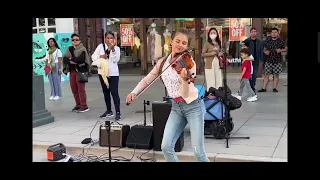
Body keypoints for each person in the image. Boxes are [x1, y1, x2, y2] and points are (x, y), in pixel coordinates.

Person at [126, 28, 209, 162]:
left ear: (187, 46)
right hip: (176, 107)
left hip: (194, 107)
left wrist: (183, 79)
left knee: (198, 152)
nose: (180, 45)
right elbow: (147, 79)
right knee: (166, 147)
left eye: (184, 43)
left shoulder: (189, 63)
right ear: (171, 41)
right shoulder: (162, 63)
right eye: (178, 41)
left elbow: (185, 94)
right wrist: (134, 92)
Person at [91, 31, 121, 120]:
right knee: (106, 92)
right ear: (105, 39)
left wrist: (113, 50)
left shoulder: (117, 48)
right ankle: (109, 110)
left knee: (114, 92)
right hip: (103, 73)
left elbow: (116, 60)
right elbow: (93, 57)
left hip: (113, 74)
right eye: (107, 38)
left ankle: (118, 112)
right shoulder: (101, 47)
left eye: (111, 38)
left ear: (114, 39)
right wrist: (102, 56)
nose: (109, 40)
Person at [63, 33, 90, 113]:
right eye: (73, 40)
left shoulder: (82, 49)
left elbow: (81, 59)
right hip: (72, 71)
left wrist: (71, 59)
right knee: (74, 89)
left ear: (79, 41)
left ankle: (84, 106)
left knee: (81, 89)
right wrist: (71, 60)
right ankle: (78, 105)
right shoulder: (69, 49)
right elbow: (65, 59)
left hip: (81, 71)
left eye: (76, 40)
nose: (75, 41)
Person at [258, 28, 287, 92]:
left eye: (275, 32)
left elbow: (285, 49)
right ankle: (264, 88)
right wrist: (265, 52)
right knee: (266, 74)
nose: (274, 33)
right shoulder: (268, 41)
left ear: (278, 33)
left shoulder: (281, 41)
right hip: (268, 60)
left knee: (276, 75)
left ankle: (275, 88)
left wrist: (281, 50)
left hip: (277, 61)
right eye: (272, 32)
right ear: (271, 33)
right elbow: (264, 49)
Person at [242, 28, 264, 94]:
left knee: (254, 74)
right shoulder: (247, 41)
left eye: (255, 31)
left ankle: (252, 87)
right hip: (248, 60)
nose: (253, 33)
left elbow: (261, 50)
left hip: (256, 60)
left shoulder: (259, 41)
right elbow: (243, 50)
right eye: (252, 32)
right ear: (250, 33)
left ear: (256, 33)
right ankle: (248, 87)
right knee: (248, 74)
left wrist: (261, 59)